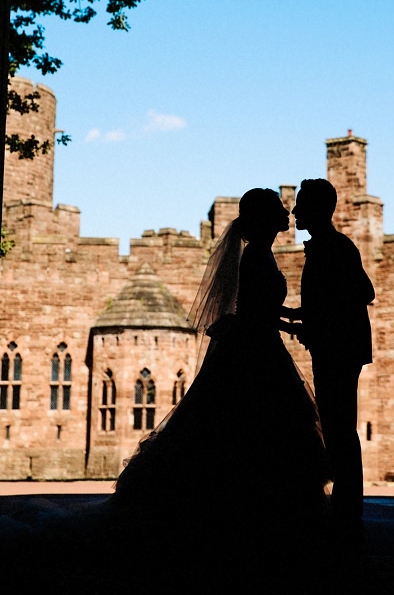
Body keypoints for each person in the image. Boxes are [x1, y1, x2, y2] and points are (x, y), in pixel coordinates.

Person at [108, 188, 330, 556]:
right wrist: (294, 325)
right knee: (254, 428)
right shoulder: (257, 255)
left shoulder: (260, 253)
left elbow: (260, 306)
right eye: (278, 208)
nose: (285, 212)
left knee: (241, 428)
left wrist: (293, 317)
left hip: (256, 342)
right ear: (264, 218)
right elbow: (255, 311)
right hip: (254, 347)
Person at [283, 177, 374, 541]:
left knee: (340, 429)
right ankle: (346, 506)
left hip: (339, 350)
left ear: (319, 209)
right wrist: (294, 315)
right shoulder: (327, 246)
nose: (295, 210)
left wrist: (315, 322)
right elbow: (327, 302)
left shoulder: (336, 247)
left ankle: (348, 509)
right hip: (334, 347)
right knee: (337, 428)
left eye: (302, 204)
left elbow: (363, 292)